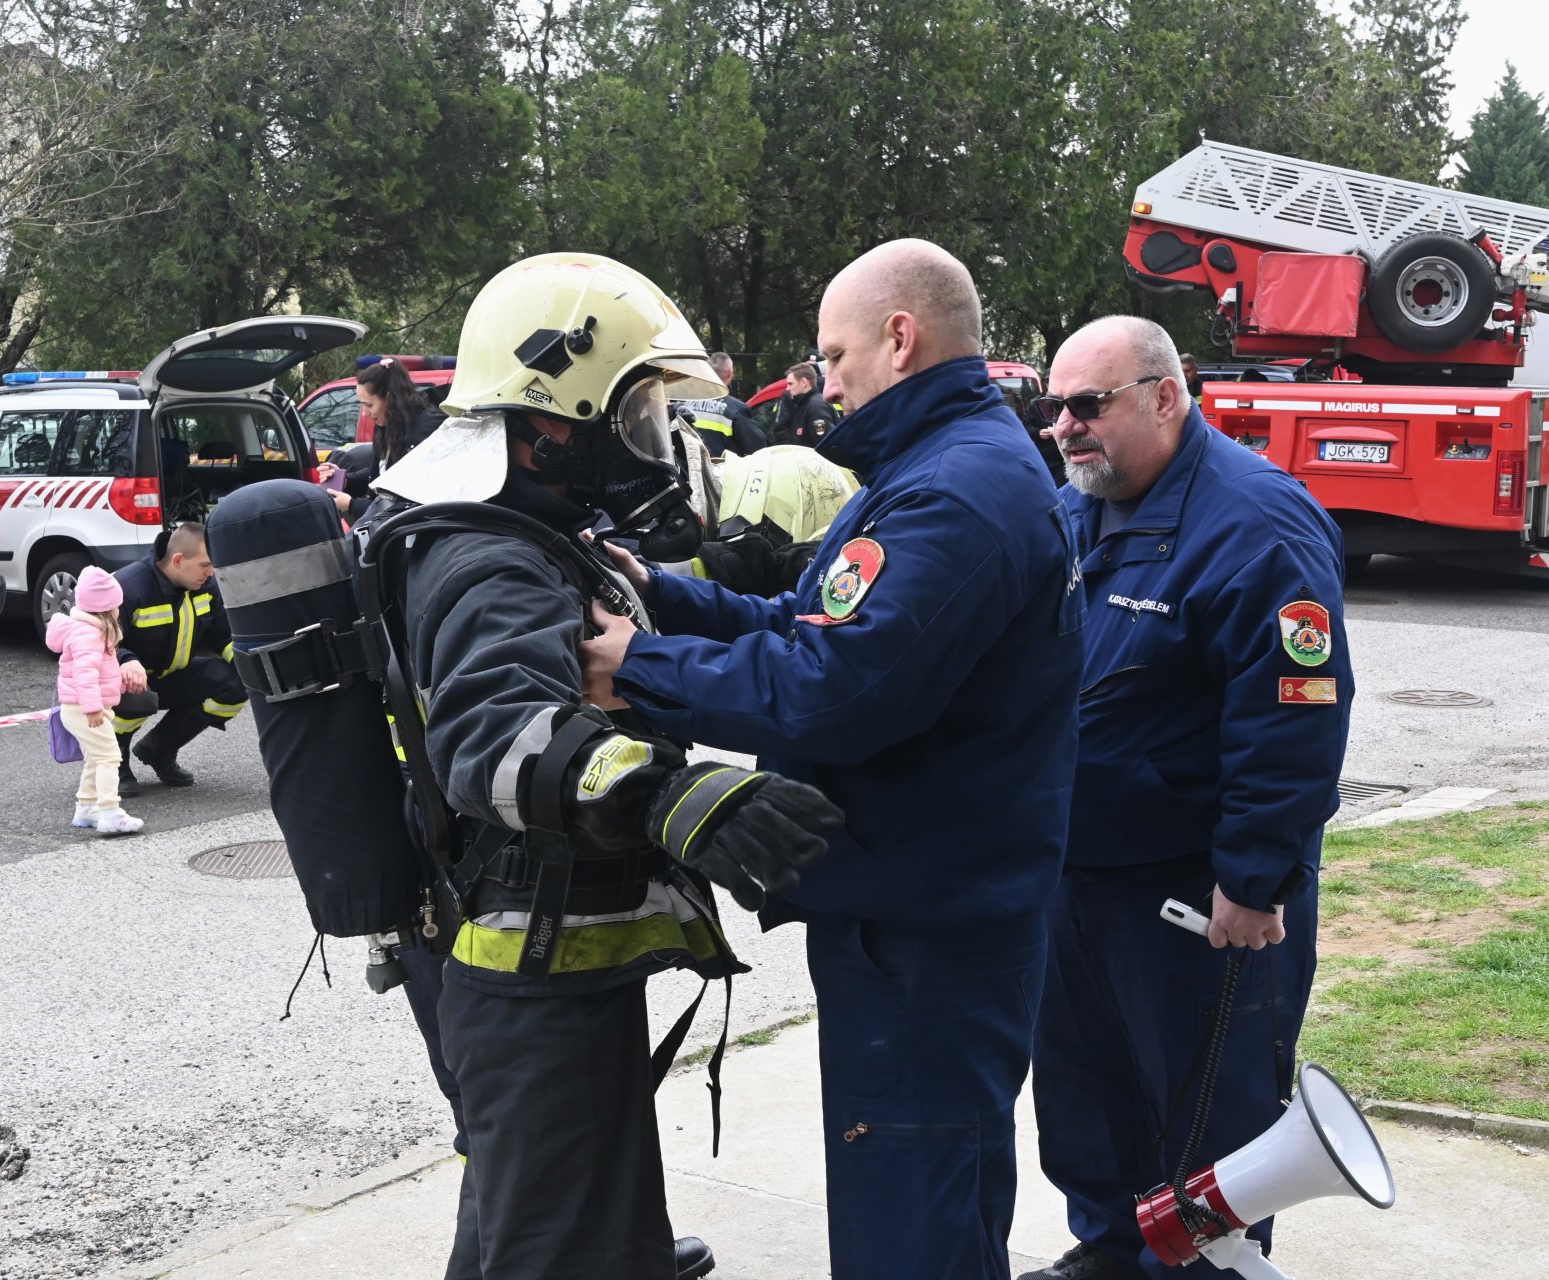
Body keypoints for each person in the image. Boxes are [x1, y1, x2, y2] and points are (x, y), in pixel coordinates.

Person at [578, 238, 1083, 1280]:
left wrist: (643, 668)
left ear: (900, 338)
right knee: (925, 1191)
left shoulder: (956, 491)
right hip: (919, 906)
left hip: (928, 926)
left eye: (833, 352)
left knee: (913, 1216)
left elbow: (833, 687)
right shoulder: (935, 468)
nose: (824, 378)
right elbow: (809, 619)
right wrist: (663, 595)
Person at [365, 251, 840, 1280]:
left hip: (533, 956)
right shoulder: (488, 555)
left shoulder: (521, 528)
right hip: (524, 971)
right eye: (631, 417)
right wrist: (677, 795)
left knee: (522, 1209)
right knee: (560, 1244)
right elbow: (496, 738)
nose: (649, 443)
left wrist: (726, 579)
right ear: (551, 419)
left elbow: (604, 611)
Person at [1018, 316, 1354, 1280]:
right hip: (1080, 876)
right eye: (1055, 409)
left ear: (1168, 394)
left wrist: (1255, 876)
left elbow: (1295, 715)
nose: (1067, 429)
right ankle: (1112, 1252)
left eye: (1090, 406)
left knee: (1208, 1117)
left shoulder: (1256, 522)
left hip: (1199, 895)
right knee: (1089, 1097)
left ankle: (1211, 1270)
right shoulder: (1079, 507)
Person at [111, 522, 246, 796]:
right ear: (178, 560)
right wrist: (126, 660)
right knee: (139, 695)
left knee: (237, 684)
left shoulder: (206, 587)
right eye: (205, 565)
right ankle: (114, 762)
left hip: (171, 674)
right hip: (125, 680)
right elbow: (102, 642)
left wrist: (247, 663)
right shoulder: (128, 586)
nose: (211, 573)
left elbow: (224, 634)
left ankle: (159, 749)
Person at [45, 566, 144, 835]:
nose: (118, 611)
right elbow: (84, 675)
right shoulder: (89, 635)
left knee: (94, 759)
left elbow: (98, 672)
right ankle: (110, 812)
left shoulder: (90, 632)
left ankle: (86, 808)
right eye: (116, 606)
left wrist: (118, 682)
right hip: (84, 708)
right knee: (110, 757)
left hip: (79, 707)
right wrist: (92, 708)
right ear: (105, 608)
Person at [319, 356, 446, 518]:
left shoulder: (424, 432)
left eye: (369, 405)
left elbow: (407, 502)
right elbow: (380, 476)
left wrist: (352, 505)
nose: (365, 412)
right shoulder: (387, 427)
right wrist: (345, 480)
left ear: (389, 399)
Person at [672, 351, 767, 458]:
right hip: (723, 472)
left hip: (691, 470)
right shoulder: (735, 409)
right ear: (730, 372)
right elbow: (757, 448)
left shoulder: (682, 404)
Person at [771, 360, 835, 446]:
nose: (787, 389)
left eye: (790, 384)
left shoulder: (816, 407)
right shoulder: (804, 404)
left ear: (803, 382)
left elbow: (825, 446)